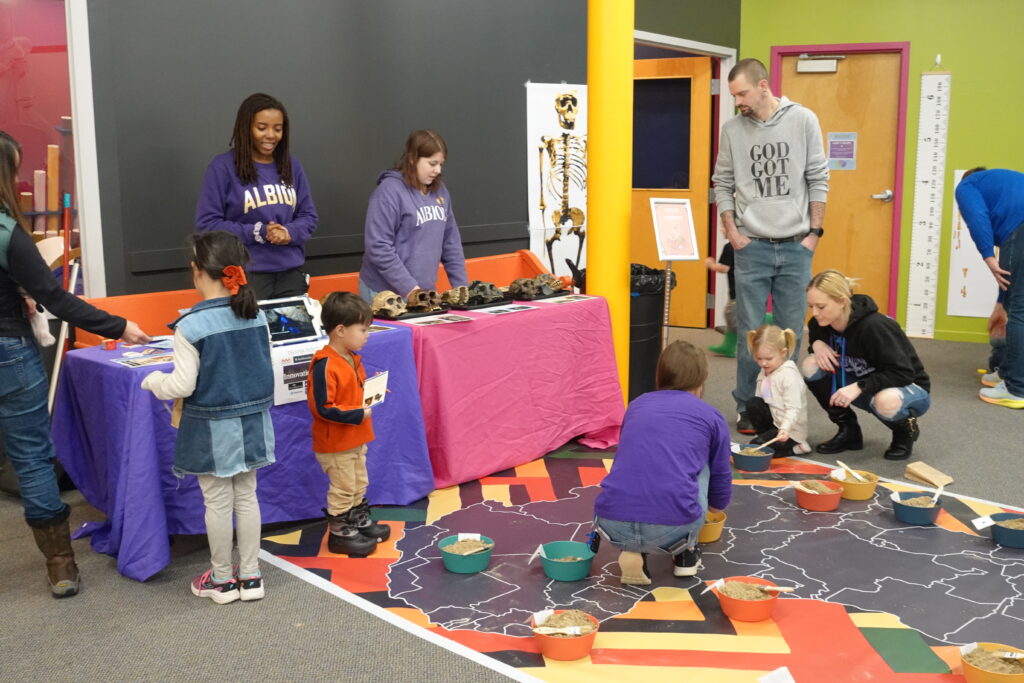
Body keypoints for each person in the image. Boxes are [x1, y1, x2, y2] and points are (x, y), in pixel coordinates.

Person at [0, 130, 149, 598]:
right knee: (31, 458)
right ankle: (61, 565)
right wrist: (119, 326)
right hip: (9, 355)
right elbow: (57, 299)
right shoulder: (8, 235)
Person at [141, 231, 275, 604]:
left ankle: (221, 579)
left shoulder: (190, 326)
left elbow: (182, 384)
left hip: (212, 429)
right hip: (254, 422)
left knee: (216, 501)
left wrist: (154, 382)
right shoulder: (256, 314)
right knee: (247, 495)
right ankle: (251, 576)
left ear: (196, 270)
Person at [711, 58, 829, 435]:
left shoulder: (803, 120)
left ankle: (783, 406)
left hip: (796, 246)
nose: (738, 102)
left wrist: (814, 233)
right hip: (752, 246)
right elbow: (721, 183)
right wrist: (733, 233)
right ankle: (749, 406)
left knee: (791, 332)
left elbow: (818, 177)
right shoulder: (733, 129)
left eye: (742, 93)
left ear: (763, 86)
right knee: (751, 332)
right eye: (733, 96)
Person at [593, 340, 732, 585]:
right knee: (700, 463)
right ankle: (686, 553)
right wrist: (716, 506)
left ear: (660, 375)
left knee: (645, 461)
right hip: (674, 527)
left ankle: (633, 551)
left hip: (611, 522)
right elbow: (721, 474)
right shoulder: (711, 416)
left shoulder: (636, 405)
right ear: (702, 379)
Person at [195, 93, 318, 301]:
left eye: (277, 129)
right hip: (246, 276)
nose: (271, 135)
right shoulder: (223, 167)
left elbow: (308, 216)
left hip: (291, 274)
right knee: (251, 324)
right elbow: (207, 224)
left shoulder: (291, 165)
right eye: (262, 127)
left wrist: (289, 232)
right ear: (245, 128)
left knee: (292, 324)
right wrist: (258, 232)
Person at [802, 270, 931, 461]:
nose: (815, 313)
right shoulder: (820, 322)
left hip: (908, 388)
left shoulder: (875, 327)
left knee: (886, 402)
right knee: (810, 365)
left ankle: (905, 432)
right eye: (811, 306)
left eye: (821, 306)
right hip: (863, 382)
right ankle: (849, 430)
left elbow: (903, 373)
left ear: (842, 302)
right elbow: (816, 334)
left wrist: (859, 387)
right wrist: (817, 344)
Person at [307, 291, 391, 557]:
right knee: (343, 488)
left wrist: (371, 391)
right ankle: (340, 533)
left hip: (355, 439)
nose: (367, 335)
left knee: (357, 482)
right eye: (363, 330)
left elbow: (350, 393)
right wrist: (357, 413)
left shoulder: (351, 358)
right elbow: (323, 408)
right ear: (341, 330)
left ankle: (357, 521)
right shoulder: (325, 364)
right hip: (336, 443)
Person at [358, 130, 468, 303]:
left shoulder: (441, 192)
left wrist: (461, 287)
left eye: (441, 164)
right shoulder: (388, 192)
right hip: (386, 295)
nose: (437, 170)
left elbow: (451, 243)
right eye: (432, 163)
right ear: (412, 158)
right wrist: (411, 290)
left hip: (423, 293)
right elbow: (378, 247)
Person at [954, 167, 1024, 408]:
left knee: (1020, 311)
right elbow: (1010, 277)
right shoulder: (1006, 185)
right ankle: (1007, 372)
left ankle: (1017, 388)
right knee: (1016, 305)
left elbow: (977, 216)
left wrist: (988, 256)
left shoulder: (967, 185)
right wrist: (1000, 305)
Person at [745, 324, 811, 458]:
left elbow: (793, 408)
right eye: (759, 358)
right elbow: (760, 400)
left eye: (769, 359)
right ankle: (765, 438)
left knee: (756, 450)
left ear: (783, 353)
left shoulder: (789, 377)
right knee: (753, 403)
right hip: (775, 422)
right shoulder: (764, 371)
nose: (763, 363)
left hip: (791, 431)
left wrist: (785, 429)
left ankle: (796, 447)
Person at [705, 243, 737, 357]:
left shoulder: (730, 246)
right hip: (749, 288)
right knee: (731, 315)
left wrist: (711, 265)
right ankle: (728, 346)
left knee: (731, 315)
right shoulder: (749, 243)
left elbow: (724, 268)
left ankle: (772, 321)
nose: (723, 233)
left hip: (738, 291)